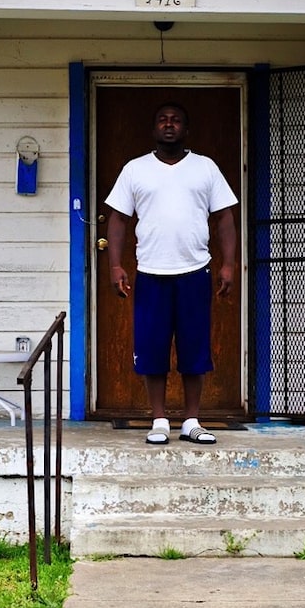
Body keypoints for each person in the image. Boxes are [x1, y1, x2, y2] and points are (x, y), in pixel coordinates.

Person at [105, 102, 238, 445]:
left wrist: (228, 263)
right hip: (151, 273)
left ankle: (192, 421)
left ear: (186, 129)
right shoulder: (135, 170)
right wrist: (116, 264)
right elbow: (118, 219)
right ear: (153, 129)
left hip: (194, 272)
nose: (169, 125)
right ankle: (159, 420)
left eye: (176, 120)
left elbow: (224, 217)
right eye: (162, 120)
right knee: (152, 349)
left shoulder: (205, 168)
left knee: (195, 349)